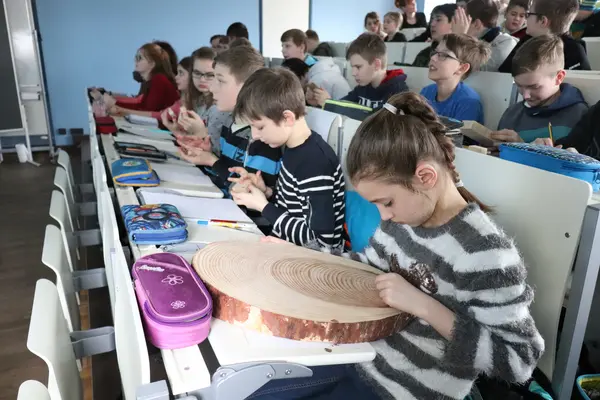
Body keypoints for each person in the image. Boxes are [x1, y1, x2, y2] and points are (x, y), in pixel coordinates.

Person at [250, 91, 544, 400]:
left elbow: (518, 361)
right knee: (254, 390)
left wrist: (424, 306)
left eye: (386, 202)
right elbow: (365, 270)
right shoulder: (402, 219)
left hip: (404, 391)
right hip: (359, 358)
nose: (384, 216)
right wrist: (298, 254)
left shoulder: (485, 253)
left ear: (425, 177)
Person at [229, 68, 345, 250]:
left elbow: (322, 242)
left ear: (287, 118)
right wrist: (266, 192)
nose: (255, 135)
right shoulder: (293, 148)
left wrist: (264, 207)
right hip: (286, 249)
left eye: (259, 127)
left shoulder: (315, 163)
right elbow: (296, 209)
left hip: (312, 262)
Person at [176, 46, 281, 199]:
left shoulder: (262, 136)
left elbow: (248, 194)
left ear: (247, 86)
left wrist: (212, 161)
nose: (211, 88)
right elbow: (222, 178)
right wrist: (206, 155)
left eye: (220, 81)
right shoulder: (230, 122)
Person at [492, 34, 588, 143]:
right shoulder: (511, 114)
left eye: (534, 87)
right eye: (519, 85)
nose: (525, 95)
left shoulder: (580, 116)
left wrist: (521, 147)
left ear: (559, 77)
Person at [310, 33, 408, 110]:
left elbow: (376, 119)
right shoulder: (361, 89)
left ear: (376, 64)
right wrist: (319, 103)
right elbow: (342, 107)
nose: (353, 73)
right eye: (353, 67)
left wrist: (329, 104)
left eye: (358, 67)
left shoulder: (398, 92)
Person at [162, 47, 232, 155]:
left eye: (209, 75)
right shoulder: (198, 101)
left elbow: (219, 156)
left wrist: (200, 132)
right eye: (197, 73)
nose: (202, 79)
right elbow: (194, 145)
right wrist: (178, 132)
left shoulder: (220, 108)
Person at [498, 0, 591, 72]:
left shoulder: (574, 52)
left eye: (528, 14)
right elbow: (503, 74)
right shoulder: (527, 40)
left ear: (543, 21)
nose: (526, 19)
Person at [420, 33, 490, 124]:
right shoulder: (426, 92)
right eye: (435, 52)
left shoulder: (469, 103)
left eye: (443, 55)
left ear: (462, 68)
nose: (433, 58)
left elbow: (458, 138)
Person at [103, 43, 179, 113]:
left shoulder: (159, 79)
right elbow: (141, 106)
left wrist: (114, 103)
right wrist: (114, 103)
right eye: (136, 58)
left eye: (139, 58)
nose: (135, 61)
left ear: (152, 64)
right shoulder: (153, 80)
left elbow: (147, 110)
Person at [111, 56, 191, 121]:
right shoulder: (180, 101)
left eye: (181, 73)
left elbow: (152, 111)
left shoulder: (159, 79)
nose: (176, 77)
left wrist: (120, 107)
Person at [452, 0, 518, 71]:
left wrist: (460, 37)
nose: (458, 26)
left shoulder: (506, 43)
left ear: (476, 24)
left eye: (463, 21)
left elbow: (472, 70)